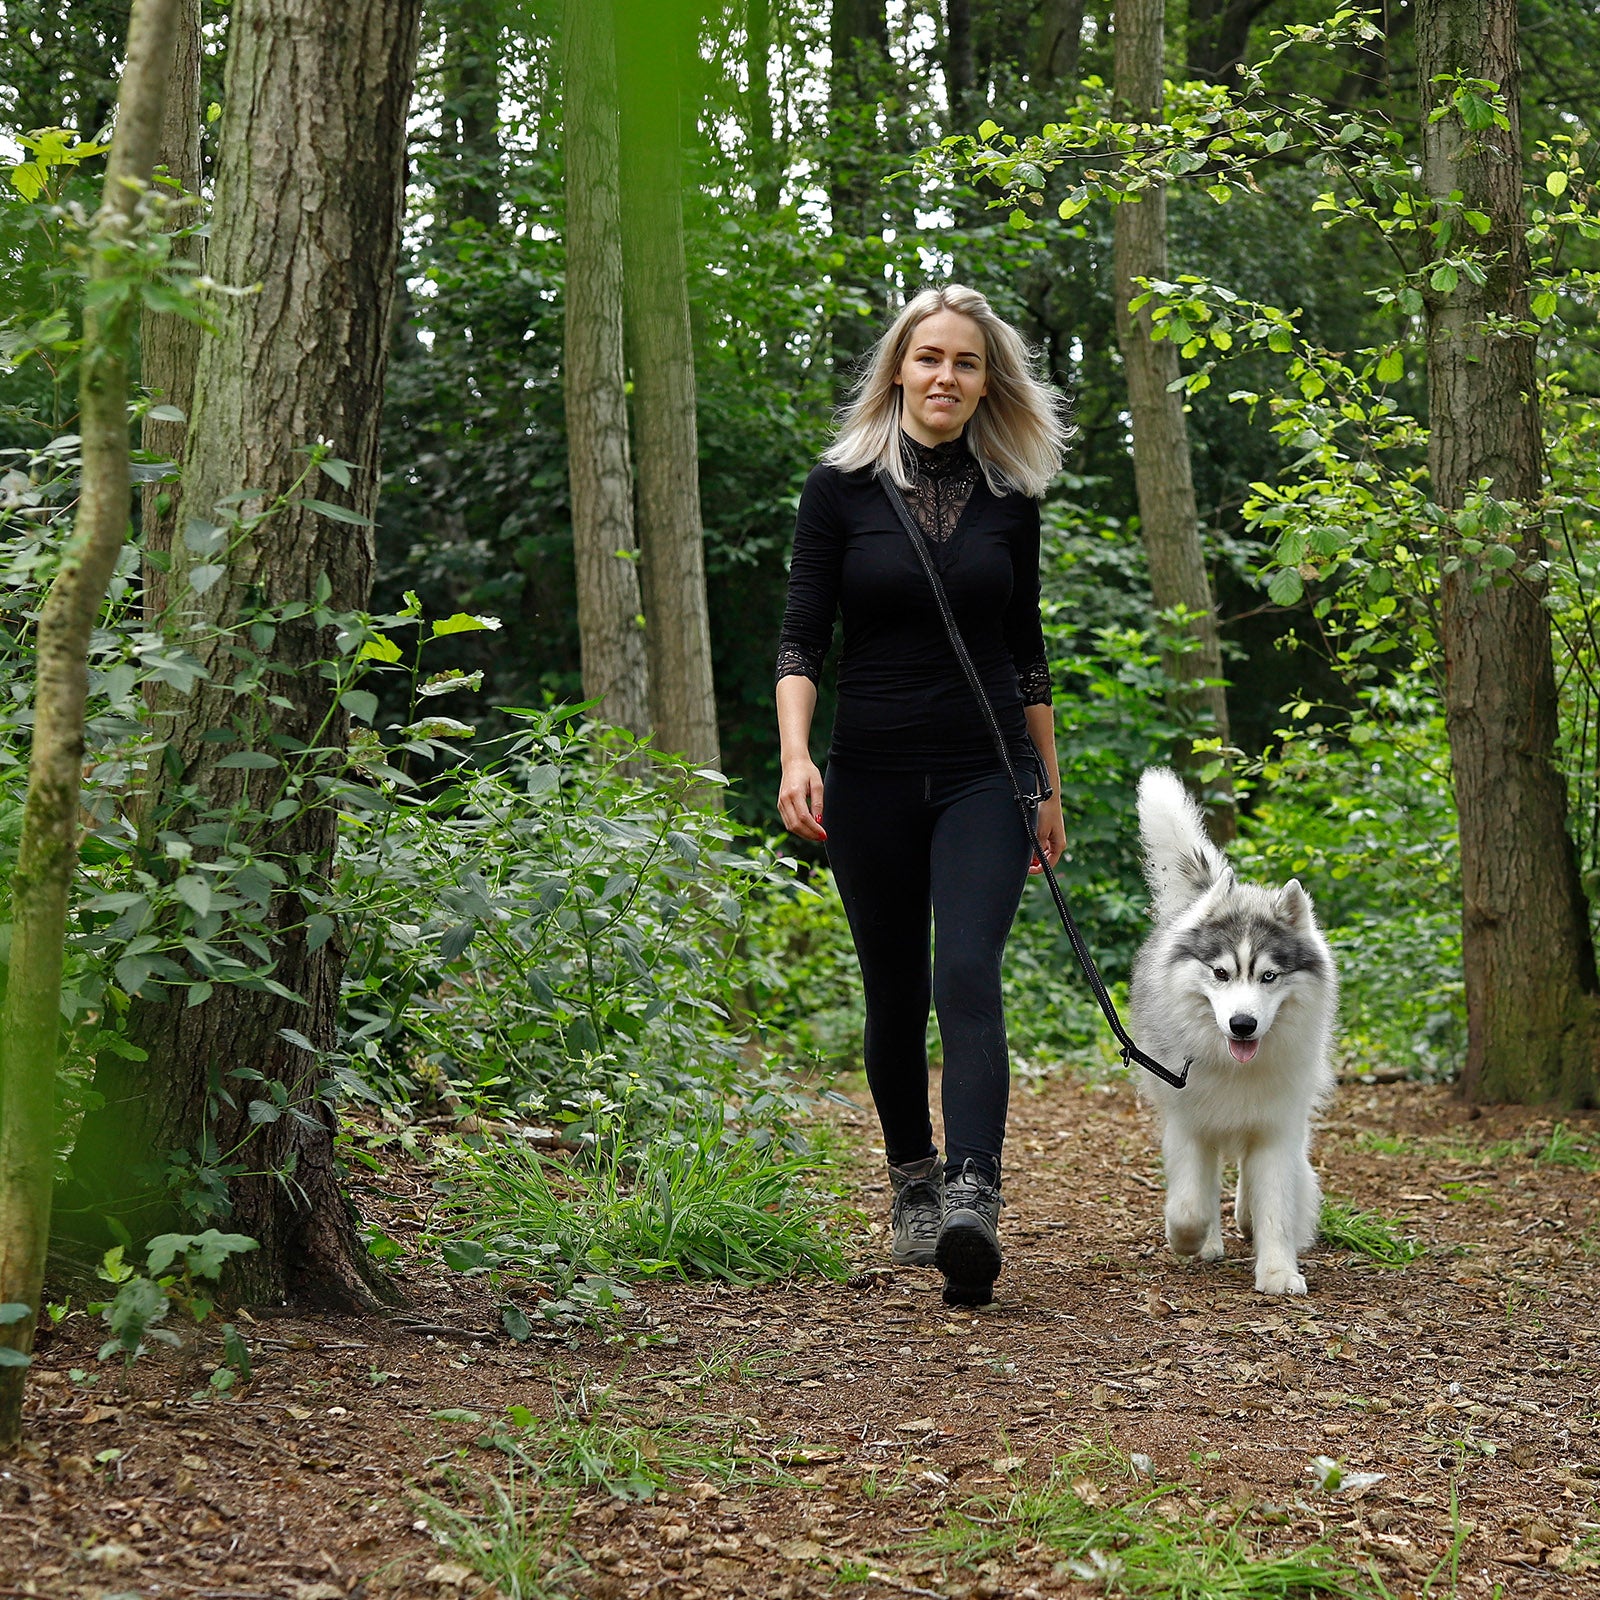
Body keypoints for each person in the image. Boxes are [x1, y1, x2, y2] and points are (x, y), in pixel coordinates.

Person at [775, 284, 1068, 1307]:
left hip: (984, 772)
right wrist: (795, 755)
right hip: (872, 776)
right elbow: (802, 636)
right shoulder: (839, 489)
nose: (947, 376)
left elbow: (1024, 654)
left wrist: (1046, 786)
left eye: (967, 362)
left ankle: (972, 1198)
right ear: (898, 365)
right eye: (930, 357)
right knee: (894, 988)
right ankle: (912, 1175)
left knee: (967, 970)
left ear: (989, 383)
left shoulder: (1008, 495)